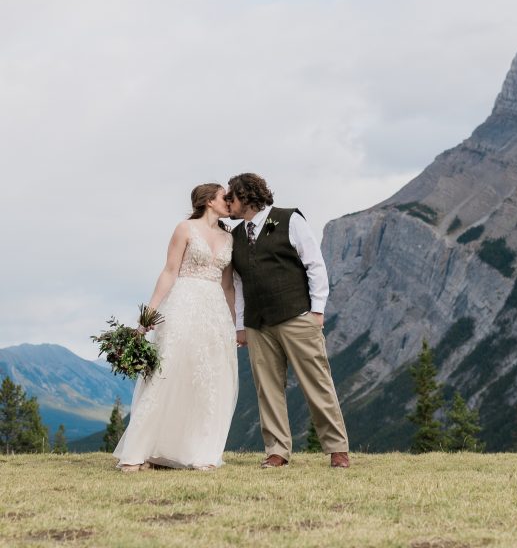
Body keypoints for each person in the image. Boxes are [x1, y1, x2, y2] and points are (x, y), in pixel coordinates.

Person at [227, 172, 350, 469]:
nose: (228, 202)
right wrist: (241, 326)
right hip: (258, 324)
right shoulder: (236, 235)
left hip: (296, 316)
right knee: (267, 388)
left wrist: (317, 310)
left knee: (317, 382)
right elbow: (240, 283)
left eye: (231, 196)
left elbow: (315, 265)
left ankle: (337, 449)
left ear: (246, 196)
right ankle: (277, 451)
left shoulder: (290, 219)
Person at [114, 183, 238, 471]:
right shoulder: (185, 228)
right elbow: (170, 271)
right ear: (209, 200)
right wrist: (149, 313)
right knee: (168, 371)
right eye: (225, 197)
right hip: (183, 302)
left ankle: (199, 451)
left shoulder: (230, 237)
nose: (230, 201)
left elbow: (228, 285)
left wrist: (233, 323)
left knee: (208, 377)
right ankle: (140, 451)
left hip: (215, 309)